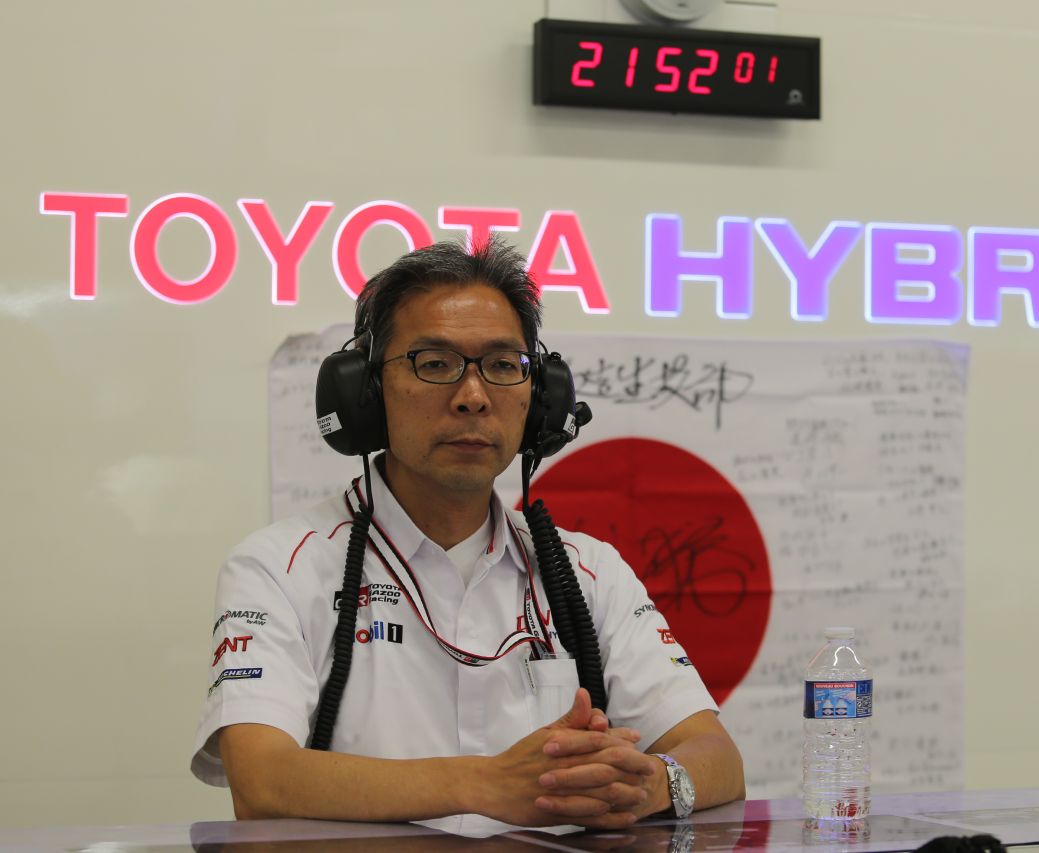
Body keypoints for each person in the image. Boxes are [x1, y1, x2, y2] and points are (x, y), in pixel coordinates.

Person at [191, 239, 745, 834]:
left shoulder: (589, 572)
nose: (474, 398)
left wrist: (649, 783)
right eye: (434, 364)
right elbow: (262, 781)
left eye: (503, 366)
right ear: (366, 392)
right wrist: (486, 784)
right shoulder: (279, 567)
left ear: (540, 399)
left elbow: (717, 756)